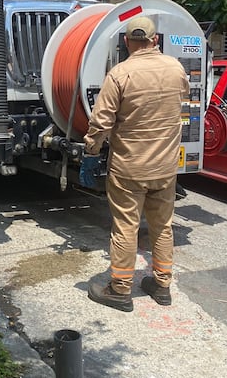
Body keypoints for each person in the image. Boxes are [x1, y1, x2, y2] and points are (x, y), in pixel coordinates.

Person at [81, 16, 189, 312]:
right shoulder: (175, 68)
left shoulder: (120, 73)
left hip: (129, 168)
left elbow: (101, 121)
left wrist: (91, 152)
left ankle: (120, 289)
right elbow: (183, 100)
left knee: (126, 227)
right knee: (163, 226)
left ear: (127, 42)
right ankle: (162, 285)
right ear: (156, 41)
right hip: (165, 168)